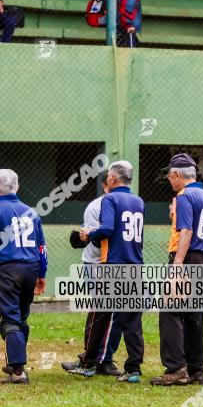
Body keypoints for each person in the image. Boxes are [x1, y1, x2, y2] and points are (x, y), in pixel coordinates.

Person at [71, 161, 145, 383]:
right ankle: (133, 369)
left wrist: (88, 235)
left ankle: (88, 364)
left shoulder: (110, 199)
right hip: (135, 265)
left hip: (113, 266)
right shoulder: (138, 200)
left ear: (112, 178)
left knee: (99, 315)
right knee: (131, 320)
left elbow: (108, 229)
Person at [151, 153, 203, 386]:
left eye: (170, 176)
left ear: (178, 175)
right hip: (202, 259)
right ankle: (197, 370)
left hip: (186, 259)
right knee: (194, 316)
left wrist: (177, 265)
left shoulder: (185, 195)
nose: (169, 180)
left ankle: (176, 368)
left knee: (170, 312)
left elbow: (187, 231)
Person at [60, 175, 124, 376]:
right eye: (109, 184)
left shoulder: (122, 203)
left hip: (114, 265)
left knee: (112, 314)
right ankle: (92, 358)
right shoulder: (96, 207)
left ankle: (103, 358)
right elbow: (93, 239)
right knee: (100, 313)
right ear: (106, 186)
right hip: (97, 264)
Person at [0, 169, 47, 384]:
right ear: (16, 187)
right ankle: (15, 361)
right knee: (20, 317)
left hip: (7, 269)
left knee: (10, 319)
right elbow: (41, 247)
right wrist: (42, 273)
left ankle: (18, 371)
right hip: (30, 268)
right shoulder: (31, 212)